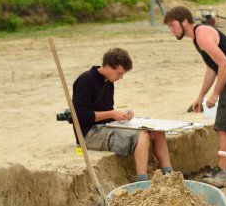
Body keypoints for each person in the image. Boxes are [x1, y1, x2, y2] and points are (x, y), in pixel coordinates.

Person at [163, 5, 226, 188]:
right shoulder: (197, 38)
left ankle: (222, 172)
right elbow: (212, 67)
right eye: (169, 27)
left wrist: (214, 95)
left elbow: (225, 66)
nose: (171, 31)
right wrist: (201, 96)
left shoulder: (202, 34)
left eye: (173, 26)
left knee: (223, 128)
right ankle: (224, 170)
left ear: (185, 21)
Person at [72, 48, 172, 182]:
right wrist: (113, 114)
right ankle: (142, 182)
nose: (121, 77)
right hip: (89, 134)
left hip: (106, 127)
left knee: (157, 132)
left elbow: (106, 111)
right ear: (108, 66)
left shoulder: (109, 82)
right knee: (142, 135)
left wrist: (122, 115)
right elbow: (80, 116)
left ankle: (170, 176)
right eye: (119, 73)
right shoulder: (85, 80)